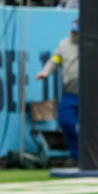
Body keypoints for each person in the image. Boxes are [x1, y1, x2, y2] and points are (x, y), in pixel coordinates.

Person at [35, 20, 80, 165]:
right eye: (73, 32)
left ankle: (91, 154)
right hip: (69, 93)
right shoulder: (63, 45)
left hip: (89, 95)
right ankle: (76, 154)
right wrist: (45, 72)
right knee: (66, 122)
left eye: (77, 32)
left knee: (91, 127)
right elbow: (55, 60)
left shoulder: (90, 45)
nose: (75, 35)